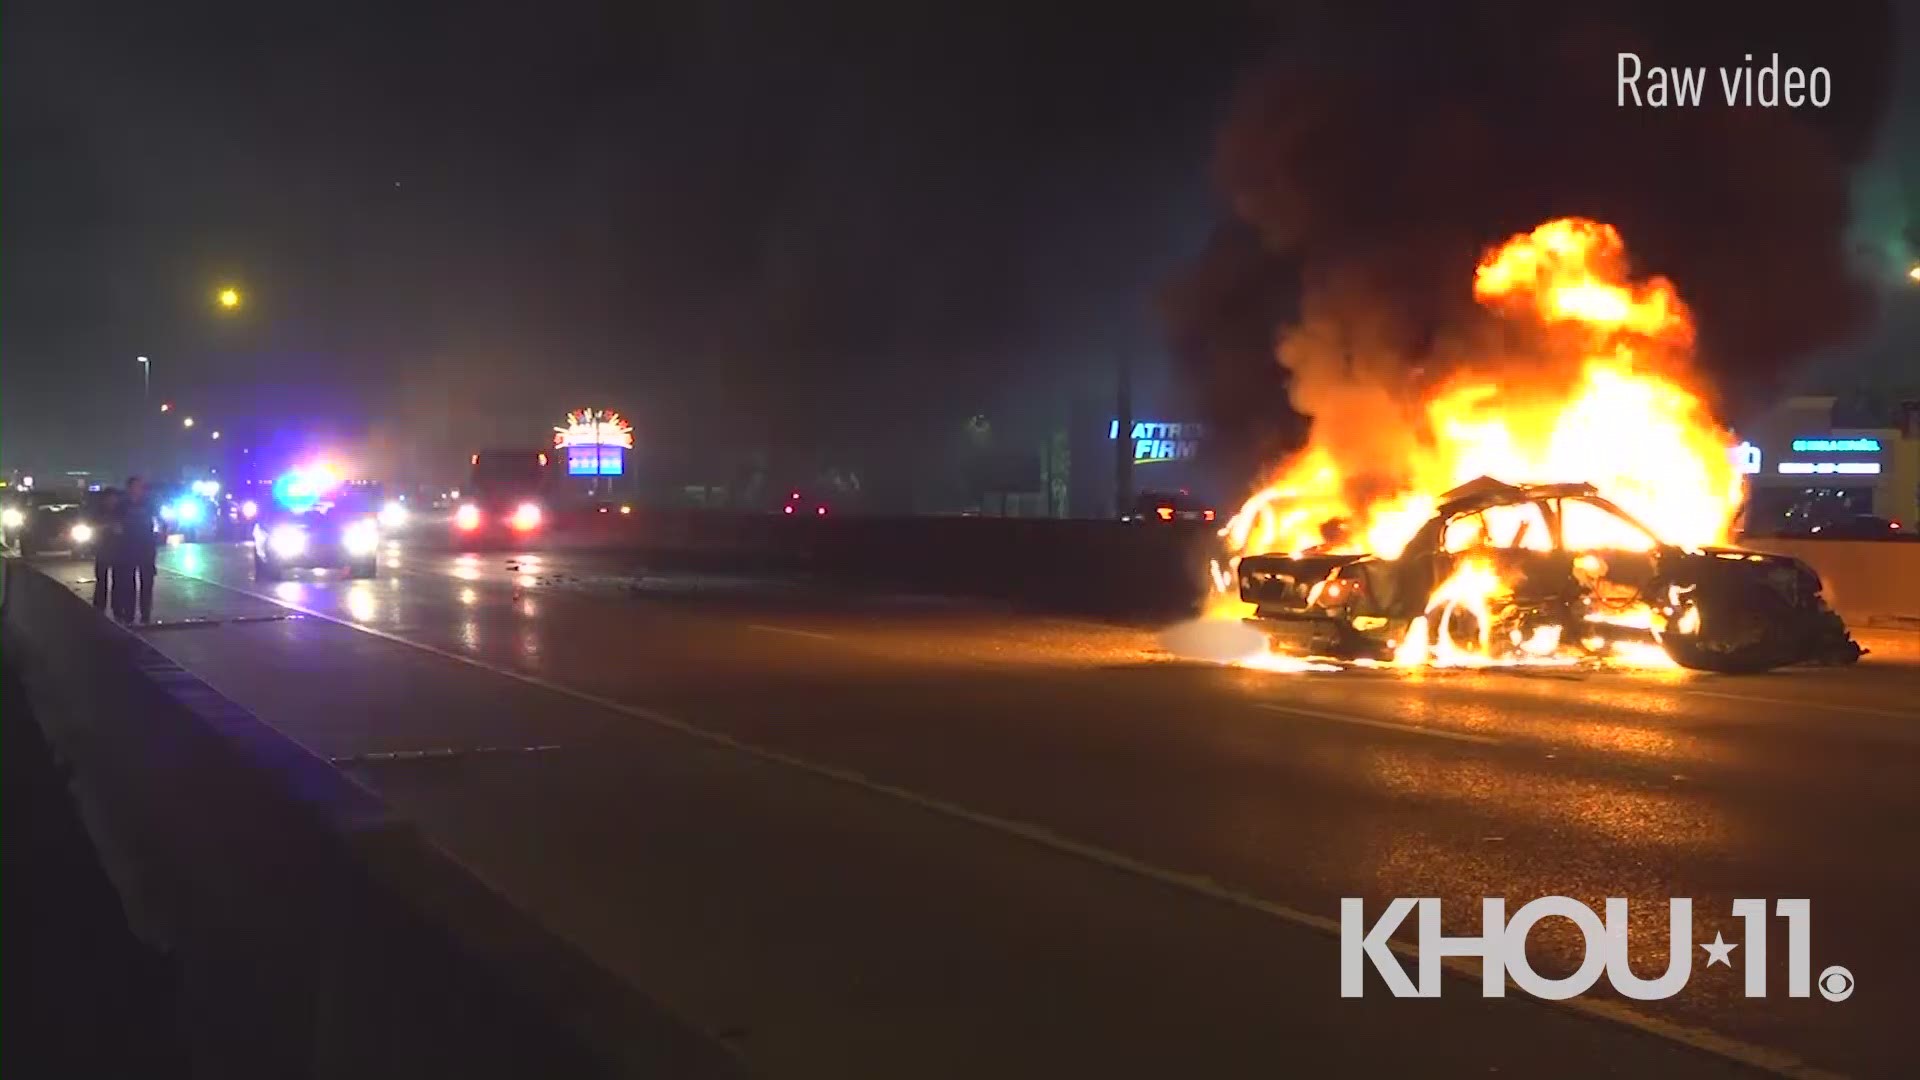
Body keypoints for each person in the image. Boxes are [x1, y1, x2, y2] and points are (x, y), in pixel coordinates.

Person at [114, 476, 160, 624]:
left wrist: (161, 532)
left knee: (147, 582)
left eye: (141, 487)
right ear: (129, 488)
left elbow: (160, 519)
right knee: (128, 583)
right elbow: (116, 523)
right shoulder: (122, 505)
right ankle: (129, 614)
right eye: (136, 486)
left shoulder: (149, 503)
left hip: (146, 546)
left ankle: (145, 614)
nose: (138, 490)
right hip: (128, 547)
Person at [90, 488, 126, 614]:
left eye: (113, 498)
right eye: (109, 498)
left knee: (118, 582)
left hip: (117, 551)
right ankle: (99, 608)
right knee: (101, 582)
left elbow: (125, 529)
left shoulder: (121, 512)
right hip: (102, 551)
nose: (111, 501)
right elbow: (92, 528)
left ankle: (117, 609)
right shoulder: (98, 513)